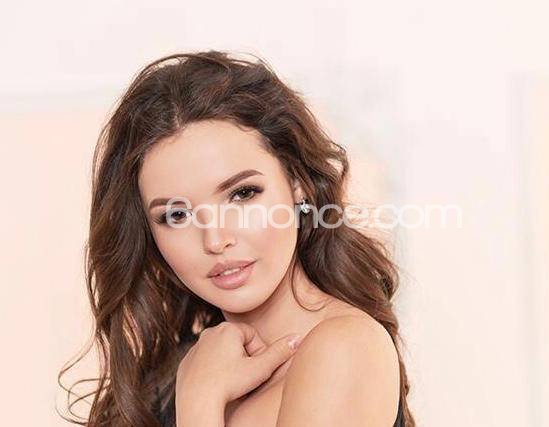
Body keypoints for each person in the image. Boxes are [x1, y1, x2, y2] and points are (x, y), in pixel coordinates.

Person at [58, 50, 415, 426]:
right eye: (177, 215)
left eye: (242, 194)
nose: (215, 239)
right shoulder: (173, 372)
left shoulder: (345, 347)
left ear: (296, 182)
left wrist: (200, 400)